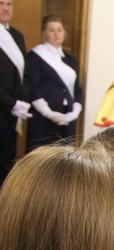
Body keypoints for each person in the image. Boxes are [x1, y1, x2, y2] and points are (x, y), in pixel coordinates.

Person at [25, 14, 83, 151]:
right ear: (44, 33)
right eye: (52, 30)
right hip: (43, 119)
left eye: (59, 30)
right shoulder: (34, 56)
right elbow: (33, 87)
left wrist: (75, 111)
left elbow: (77, 90)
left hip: (66, 118)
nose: (56, 34)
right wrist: (48, 112)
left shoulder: (70, 60)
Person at [0, 0, 30, 179]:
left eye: (9, 4)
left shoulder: (17, 36)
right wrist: (11, 103)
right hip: (5, 107)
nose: (5, 8)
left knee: (6, 170)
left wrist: (22, 101)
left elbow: (24, 75)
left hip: (11, 118)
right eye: (1, 3)